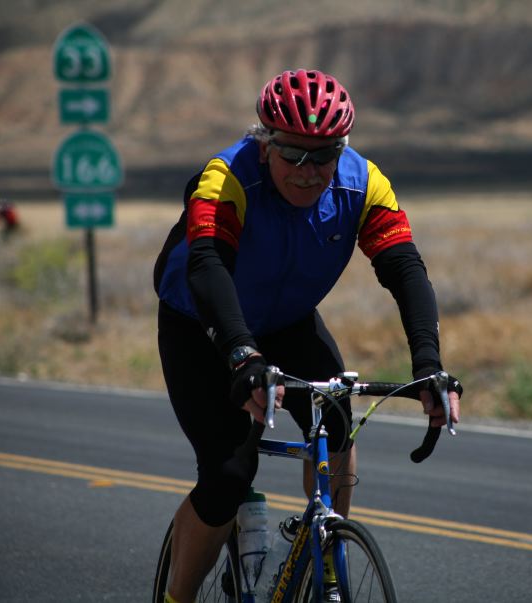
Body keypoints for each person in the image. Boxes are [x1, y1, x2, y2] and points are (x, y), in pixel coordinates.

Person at [153, 68, 461, 603]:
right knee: (229, 473)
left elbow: (405, 268)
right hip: (201, 325)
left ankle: (323, 558)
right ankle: (177, 596)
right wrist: (241, 354)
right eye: (293, 153)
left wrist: (429, 366)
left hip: (286, 319)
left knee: (337, 420)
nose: (308, 170)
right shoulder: (226, 176)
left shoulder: (363, 183)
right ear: (266, 141)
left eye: (324, 155)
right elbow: (206, 265)